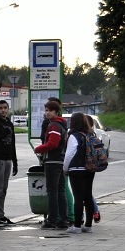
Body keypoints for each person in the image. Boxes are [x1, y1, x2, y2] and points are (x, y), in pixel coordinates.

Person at [34, 99, 68, 230]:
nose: (47, 113)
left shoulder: (54, 126)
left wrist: (39, 149)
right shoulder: (62, 125)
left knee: (52, 192)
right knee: (61, 191)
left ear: (57, 112)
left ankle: (51, 220)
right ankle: (63, 220)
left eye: (50, 111)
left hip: (53, 161)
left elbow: (53, 143)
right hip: (61, 160)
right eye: (46, 110)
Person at [63, 111, 96, 233]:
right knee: (87, 196)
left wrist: (65, 168)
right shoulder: (90, 134)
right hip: (90, 168)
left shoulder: (74, 136)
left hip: (76, 169)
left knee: (78, 198)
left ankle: (76, 226)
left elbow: (69, 154)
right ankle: (88, 225)